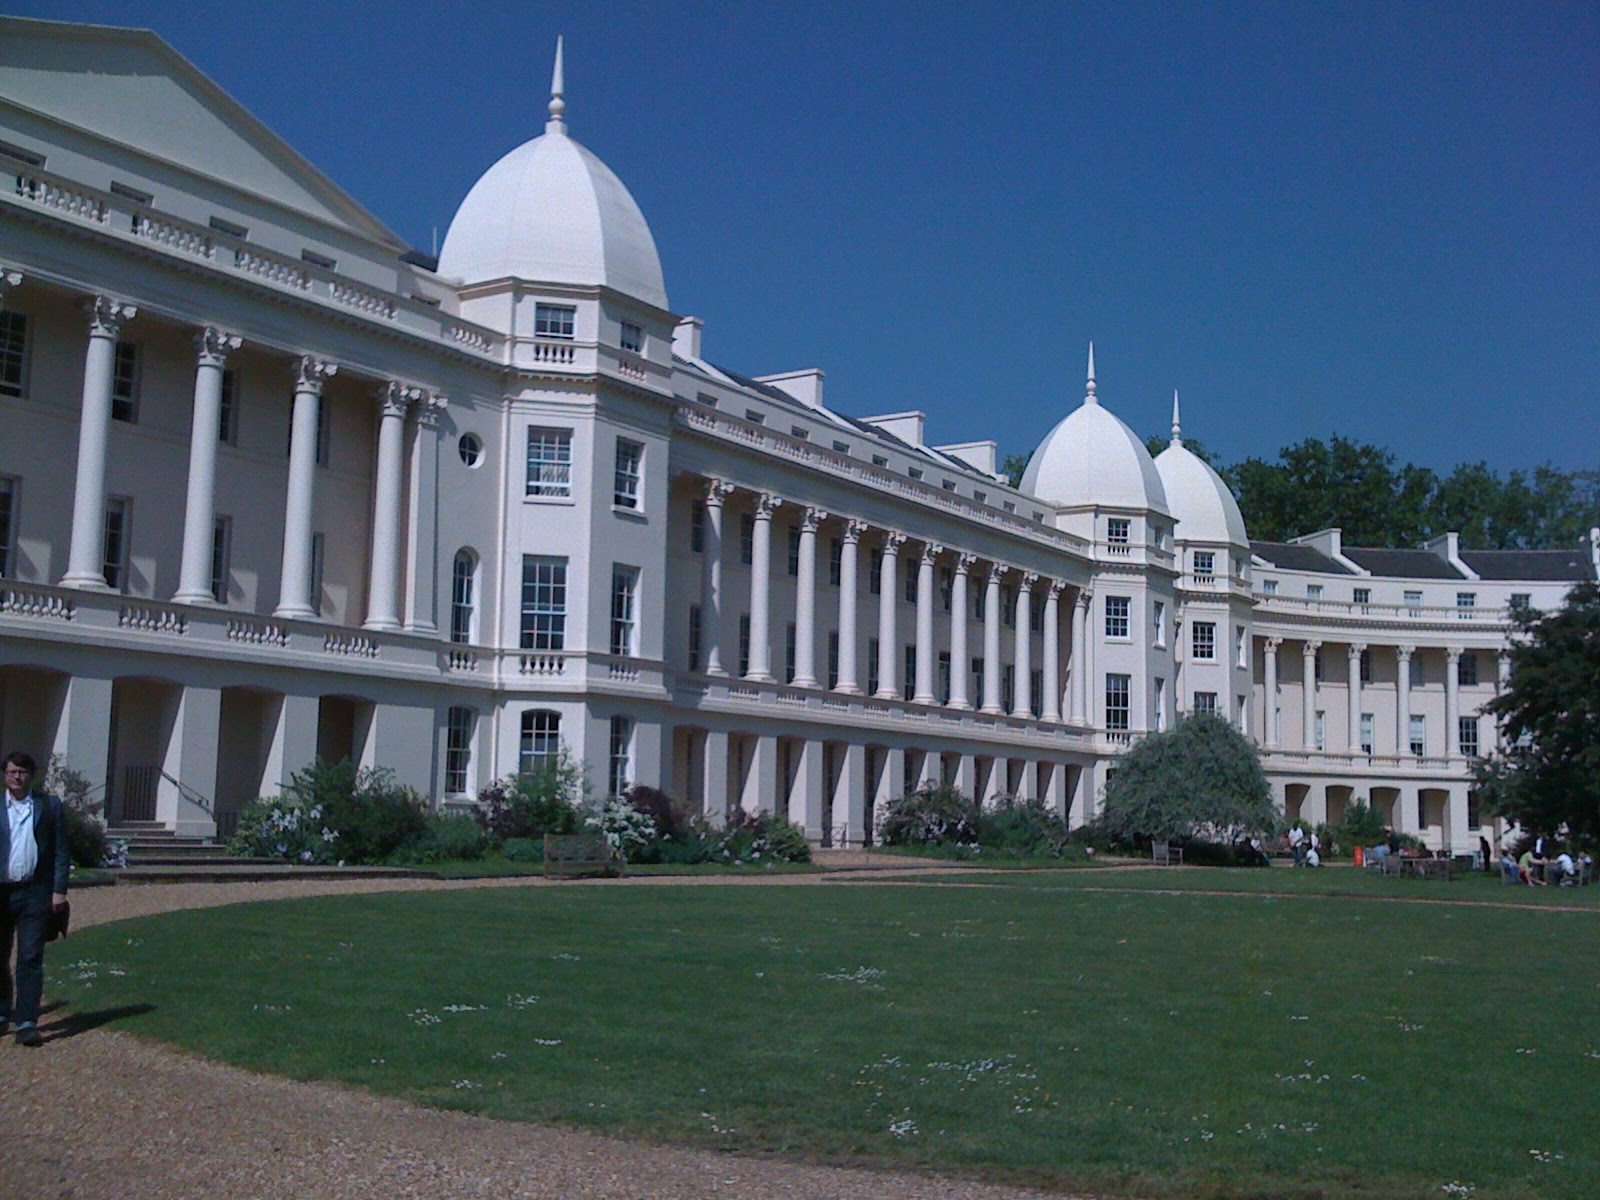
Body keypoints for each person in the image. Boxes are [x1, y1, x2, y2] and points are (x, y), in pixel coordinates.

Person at [1, 751, 70, 1047]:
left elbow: (60, 850)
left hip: (34, 892)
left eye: (23, 772)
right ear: (5, 774)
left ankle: (27, 1022)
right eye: (13, 772)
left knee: (30, 956)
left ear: (32, 775)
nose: (18, 777)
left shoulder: (48, 806)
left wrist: (59, 890)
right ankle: (3, 1012)